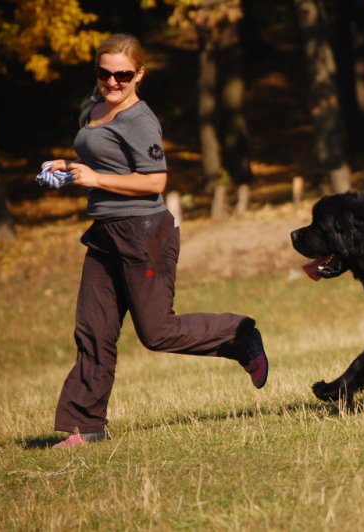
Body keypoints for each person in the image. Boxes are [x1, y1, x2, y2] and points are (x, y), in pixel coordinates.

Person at [46, 34, 268, 449]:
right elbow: (105, 158)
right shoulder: (94, 107)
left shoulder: (140, 119)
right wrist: (68, 167)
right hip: (105, 234)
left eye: (122, 75)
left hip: (144, 234)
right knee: (93, 328)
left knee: (158, 332)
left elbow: (154, 181)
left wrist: (95, 179)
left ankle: (239, 334)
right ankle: (86, 425)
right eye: (104, 73)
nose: (112, 82)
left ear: (139, 75)